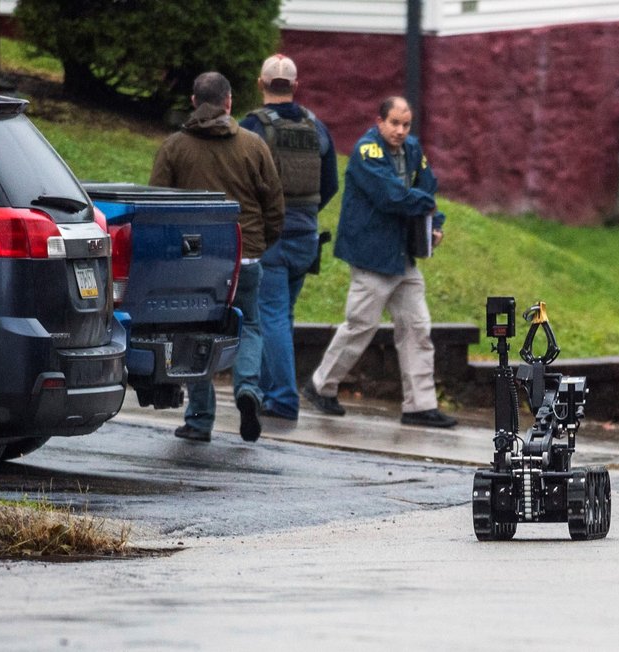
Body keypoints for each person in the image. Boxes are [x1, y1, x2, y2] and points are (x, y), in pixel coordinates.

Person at [302, 96, 457, 428]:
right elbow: (391, 196)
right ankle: (320, 386)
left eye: (406, 124)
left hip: (402, 257)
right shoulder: (366, 152)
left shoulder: (412, 149)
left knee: (417, 329)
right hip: (372, 255)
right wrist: (426, 204)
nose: (400, 131)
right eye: (394, 124)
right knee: (360, 326)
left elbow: (427, 186)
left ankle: (420, 406)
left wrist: (436, 223)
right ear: (379, 121)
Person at [150, 71, 285, 443]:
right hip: (246, 253)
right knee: (250, 325)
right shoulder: (253, 145)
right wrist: (260, 243)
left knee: (194, 333)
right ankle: (248, 390)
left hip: (194, 260)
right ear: (228, 102)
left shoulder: (174, 147)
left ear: (194, 101)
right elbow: (274, 203)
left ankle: (199, 419)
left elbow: (157, 206)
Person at [240, 54, 339, 421]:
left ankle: (282, 398)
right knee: (282, 315)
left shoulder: (252, 126)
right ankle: (269, 391)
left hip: (272, 238)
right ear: (296, 86)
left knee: (272, 316)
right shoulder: (318, 128)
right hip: (307, 238)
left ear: (260, 83)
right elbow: (330, 184)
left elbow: (241, 181)